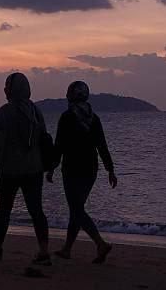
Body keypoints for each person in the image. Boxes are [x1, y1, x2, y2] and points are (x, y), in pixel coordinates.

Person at [0, 72, 51, 266]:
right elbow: (44, 139)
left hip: (10, 169)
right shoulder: (36, 111)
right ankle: (44, 252)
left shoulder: (5, 111)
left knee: (4, 210)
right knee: (37, 211)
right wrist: (47, 165)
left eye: (6, 87)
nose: (4, 90)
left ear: (11, 89)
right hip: (34, 169)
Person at [46, 81, 117, 264]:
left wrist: (51, 167)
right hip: (91, 170)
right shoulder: (95, 119)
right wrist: (110, 169)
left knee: (76, 209)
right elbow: (102, 146)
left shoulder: (67, 117)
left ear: (71, 95)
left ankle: (100, 243)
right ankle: (67, 249)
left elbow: (59, 145)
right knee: (77, 209)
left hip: (72, 169)